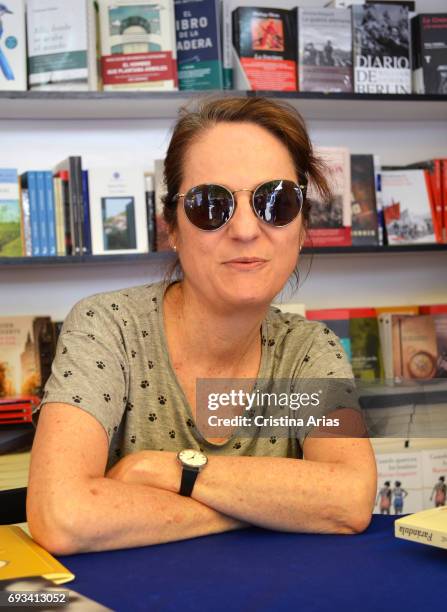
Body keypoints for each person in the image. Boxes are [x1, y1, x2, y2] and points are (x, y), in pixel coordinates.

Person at [27, 96, 377, 555]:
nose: (247, 230)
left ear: (302, 224)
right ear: (171, 225)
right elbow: (62, 514)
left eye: (276, 202)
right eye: (211, 205)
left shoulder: (309, 349)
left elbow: (348, 499)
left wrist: (171, 471)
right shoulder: (107, 328)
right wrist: (260, 508)